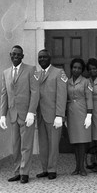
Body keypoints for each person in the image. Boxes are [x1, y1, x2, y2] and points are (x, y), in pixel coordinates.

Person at [0, 45, 39, 184]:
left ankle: (24, 173)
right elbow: (4, 94)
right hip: (13, 114)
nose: (15, 57)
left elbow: (35, 92)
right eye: (13, 54)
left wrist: (31, 112)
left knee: (26, 145)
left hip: (26, 114)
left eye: (18, 55)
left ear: (22, 56)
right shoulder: (6, 73)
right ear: (10, 55)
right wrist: (2, 115)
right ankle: (17, 171)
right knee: (15, 146)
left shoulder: (31, 70)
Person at [36, 49, 68, 180]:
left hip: (54, 115)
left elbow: (62, 95)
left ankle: (52, 169)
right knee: (43, 144)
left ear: (50, 58)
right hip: (40, 115)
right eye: (40, 57)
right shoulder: (36, 74)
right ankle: (45, 169)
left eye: (44, 57)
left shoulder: (59, 72)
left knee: (53, 144)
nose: (42, 59)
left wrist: (60, 115)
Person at [66, 58, 93, 176]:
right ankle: (77, 167)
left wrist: (89, 115)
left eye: (79, 68)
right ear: (71, 68)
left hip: (82, 112)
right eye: (74, 67)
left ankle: (82, 167)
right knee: (75, 141)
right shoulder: (67, 81)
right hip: (71, 112)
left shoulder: (86, 82)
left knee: (82, 141)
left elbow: (89, 98)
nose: (76, 70)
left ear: (82, 70)